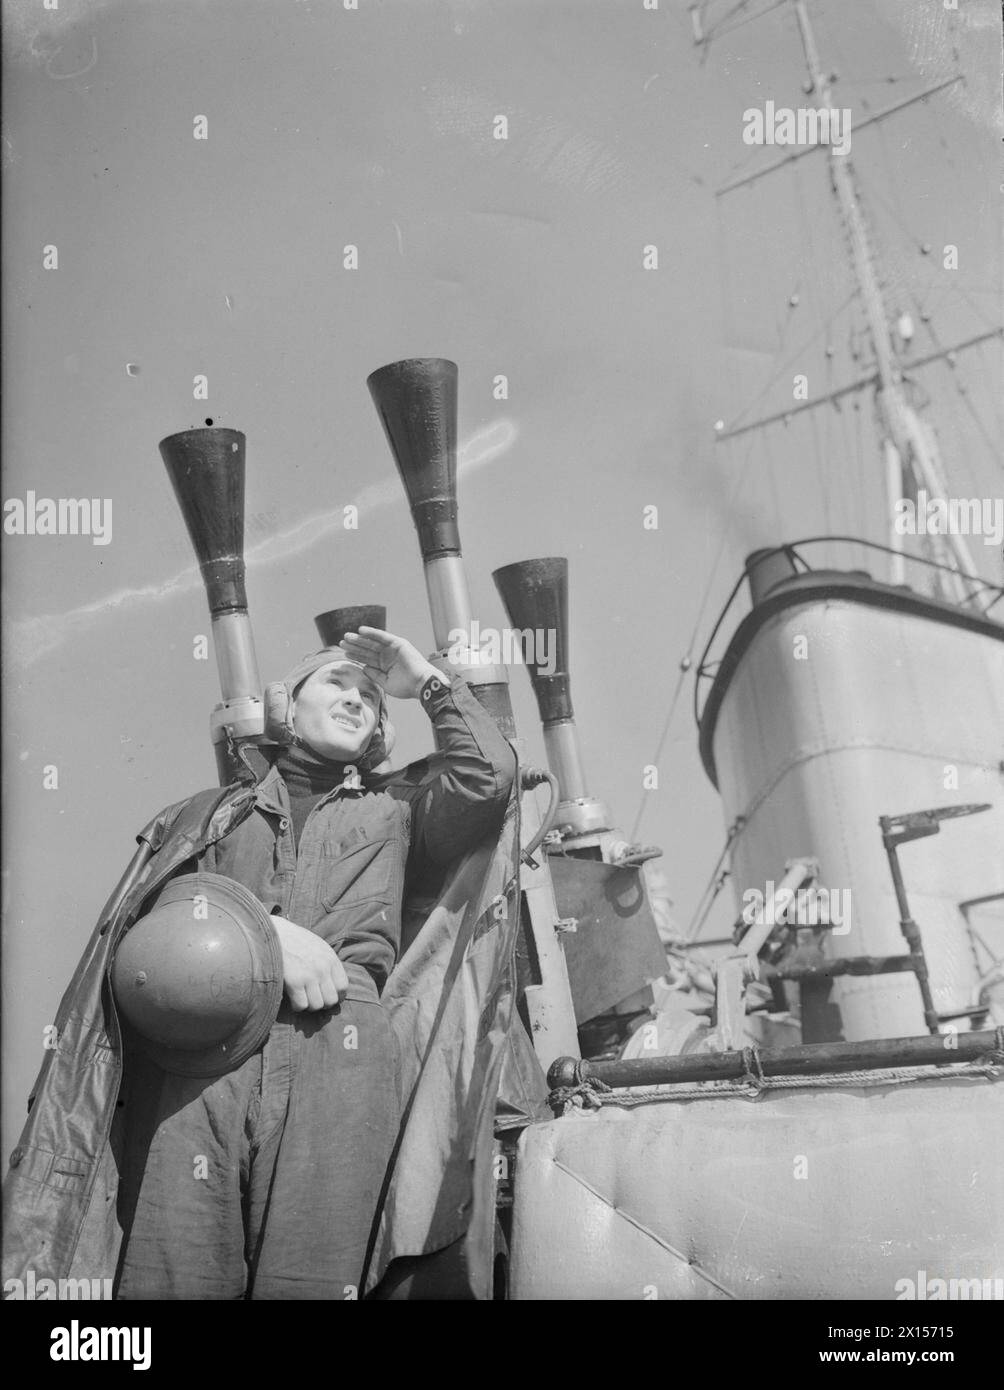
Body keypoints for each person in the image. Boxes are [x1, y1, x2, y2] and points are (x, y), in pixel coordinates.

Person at [6, 626, 516, 1301]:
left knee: (307, 1280)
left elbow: (490, 777)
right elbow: (138, 935)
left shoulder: (398, 813)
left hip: (341, 1053)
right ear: (286, 708)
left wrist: (422, 678)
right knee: (173, 1272)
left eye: (370, 695)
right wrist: (264, 936)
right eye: (335, 681)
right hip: (199, 1061)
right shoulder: (202, 817)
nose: (357, 697)